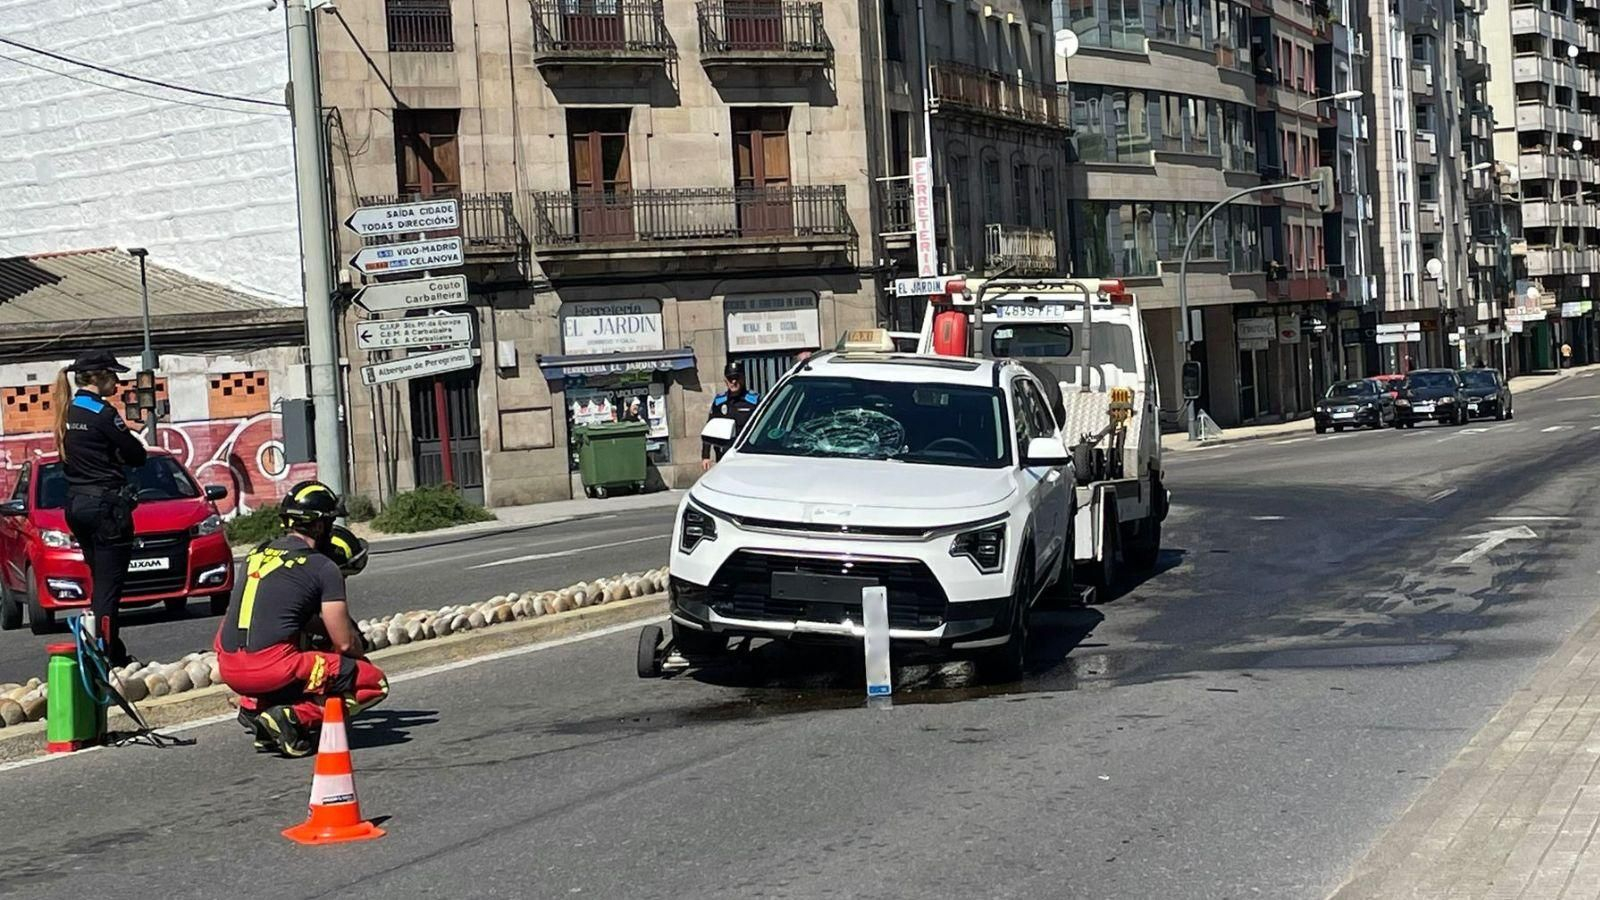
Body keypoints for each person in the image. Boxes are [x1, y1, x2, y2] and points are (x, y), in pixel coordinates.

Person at [215, 481, 388, 757]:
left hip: (230, 667)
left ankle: (256, 710)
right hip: (271, 668)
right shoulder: (323, 567)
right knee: (373, 683)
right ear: (320, 526)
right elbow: (344, 644)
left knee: (298, 657)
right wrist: (357, 657)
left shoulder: (256, 554)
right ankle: (291, 717)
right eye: (330, 521)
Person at [52, 350, 146, 667]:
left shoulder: (67, 410)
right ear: (99, 377)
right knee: (109, 588)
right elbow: (136, 454)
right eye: (113, 376)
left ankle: (111, 650)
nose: (118, 382)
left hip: (77, 504)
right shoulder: (103, 413)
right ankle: (105, 657)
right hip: (106, 506)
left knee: (99, 581)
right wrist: (118, 457)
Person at [702, 362, 759, 471]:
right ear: (725, 381)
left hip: (746, 455)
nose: (734, 381)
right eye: (730, 378)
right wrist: (705, 456)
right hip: (724, 455)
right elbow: (710, 428)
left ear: (743, 378)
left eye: (737, 377)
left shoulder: (754, 401)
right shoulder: (719, 401)